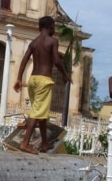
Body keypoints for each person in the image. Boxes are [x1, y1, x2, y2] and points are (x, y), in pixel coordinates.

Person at [13, 16, 70, 154]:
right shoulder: (53, 41)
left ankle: (44, 143)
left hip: (32, 80)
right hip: (44, 81)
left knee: (41, 113)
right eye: (54, 27)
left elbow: (24, 60)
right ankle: (25, 143)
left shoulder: (33, 43)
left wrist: (19, 78)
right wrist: (64, 74)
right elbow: (56, 61)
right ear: (50, 26)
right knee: (37, 112)